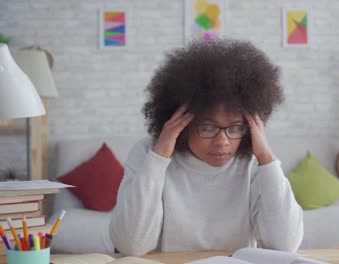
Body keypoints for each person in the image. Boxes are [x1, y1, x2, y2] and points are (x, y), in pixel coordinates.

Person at [110, 39, 304, 256]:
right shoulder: (148, 153)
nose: (222, 141)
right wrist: (159, 157)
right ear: (182, 124)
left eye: (234, 128)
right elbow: (131, 246)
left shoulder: (253, 160)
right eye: (208, 127)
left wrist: (267, 159)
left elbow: (286, 247)